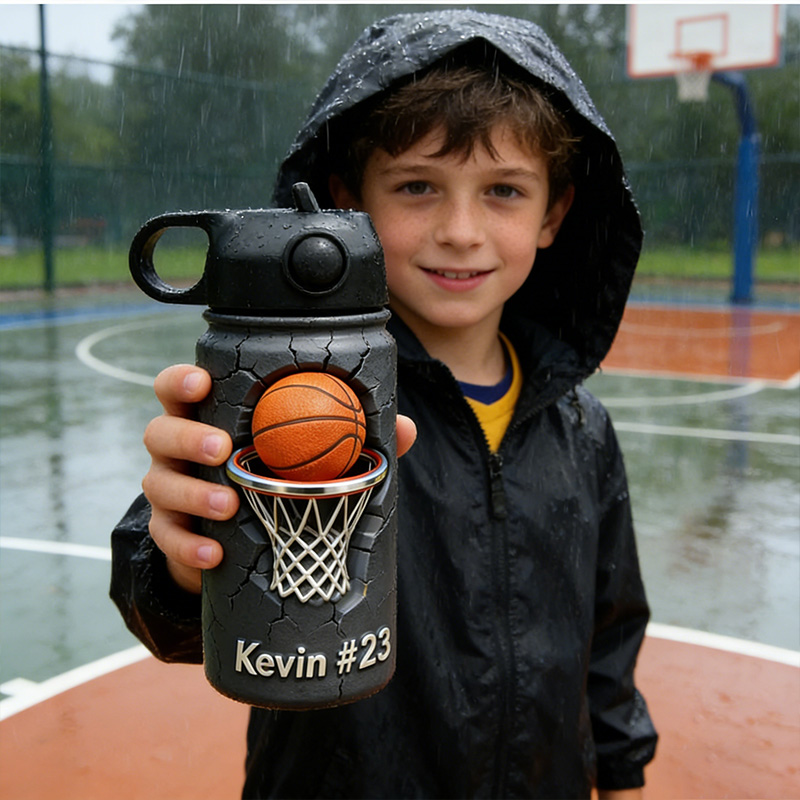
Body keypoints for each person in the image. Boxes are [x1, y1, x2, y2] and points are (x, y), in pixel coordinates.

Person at [111, 9, 658, 798]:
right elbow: (164, 606)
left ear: (554, 213)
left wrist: (624, 774)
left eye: (503, 190)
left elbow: (611, 639)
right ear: (345, 204)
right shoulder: (298, 399)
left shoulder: (584, 429)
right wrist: (179, 560)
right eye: (417, 187)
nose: (460, 231)